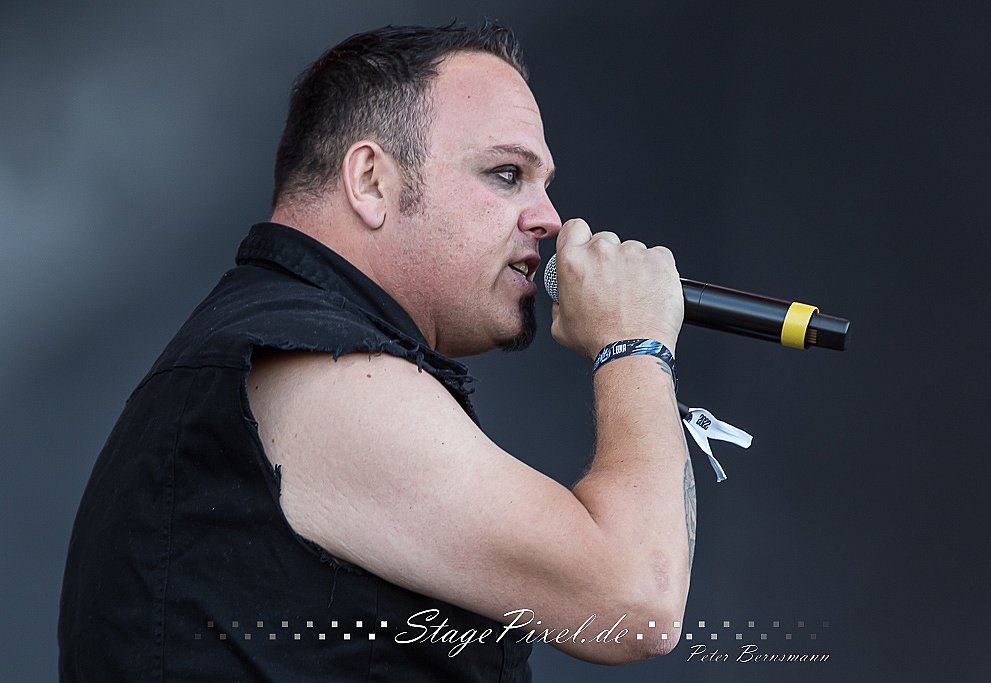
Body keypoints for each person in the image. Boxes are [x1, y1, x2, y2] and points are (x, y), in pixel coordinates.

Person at [58, 22, 694, 681]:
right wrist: (634, 343)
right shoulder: (321, 372)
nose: (550, 219)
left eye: (542, 182)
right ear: (370, 181)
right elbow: (638, 600)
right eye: (507, 174)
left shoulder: (276, 350)